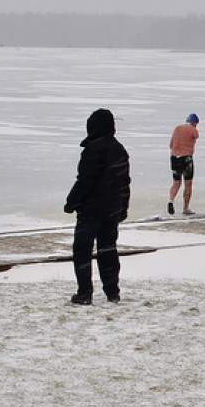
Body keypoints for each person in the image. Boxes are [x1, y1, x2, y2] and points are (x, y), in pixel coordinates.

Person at [64, 108, 130, 305]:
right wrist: (123, 207)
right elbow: (125, 182)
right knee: (108, 250)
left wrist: (71, 202)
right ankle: (112, 292)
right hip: (111, 210)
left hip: (91, 211)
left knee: (82, 251)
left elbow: (85, 181)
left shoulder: (93, 150)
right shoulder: (119, 149)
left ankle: (84, 293)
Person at [168, 112, 199, 215]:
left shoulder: (177, 128)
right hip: (186, 158)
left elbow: (171, 145)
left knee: (176, 182)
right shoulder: (193, 130)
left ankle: (171, 200)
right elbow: (196, 136)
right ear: (195, 122)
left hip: (174, 157)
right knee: (188, 183)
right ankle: (186, 208)